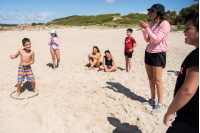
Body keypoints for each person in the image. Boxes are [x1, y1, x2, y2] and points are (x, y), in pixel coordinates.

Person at [163, 10, 199, 133]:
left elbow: (188, 90)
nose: (184, 31)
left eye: (188, 28)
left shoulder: (197, 55)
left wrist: (170, 111)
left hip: (189, 119)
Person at [139, 4, 173, 113]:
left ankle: (160, 104)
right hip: (149, 52)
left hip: (159, 54)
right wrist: (144, 30)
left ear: (158, 12)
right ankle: (152, 100)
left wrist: (147, 28)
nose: (149, 13)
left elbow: (157, 40)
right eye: (149, 11)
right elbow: (148, 40)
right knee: (150, 78)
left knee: (158, 80)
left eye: (151, 11)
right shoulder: (153, 24)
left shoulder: (165, 24)